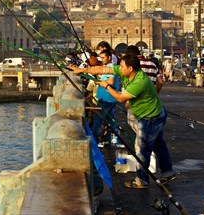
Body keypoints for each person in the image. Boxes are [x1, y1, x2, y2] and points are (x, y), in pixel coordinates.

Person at [70, 54, 176, 189]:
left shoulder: (139, 81)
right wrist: (82, 71)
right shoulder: (126, 71)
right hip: (155, 114)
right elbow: (104, 70)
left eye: (122, 66)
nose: (119, 68)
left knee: (142, 150)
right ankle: (168, 172)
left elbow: (120, 98)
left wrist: (106, 86)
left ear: (130, 68)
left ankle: (142, 181)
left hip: (150, 117)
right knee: (158, 144)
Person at [90, 49, 121, 147]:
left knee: (98, 119)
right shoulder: (108, 67)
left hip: (106, 98)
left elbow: (111, 81)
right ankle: (114, 139)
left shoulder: (110, 67)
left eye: (103, 57)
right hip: (109, 98)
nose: (102, 59)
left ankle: (94, 140)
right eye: (101, 57)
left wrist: (97, 82)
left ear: (109, 57)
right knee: (111, 120)